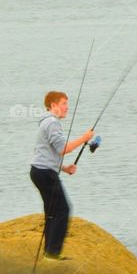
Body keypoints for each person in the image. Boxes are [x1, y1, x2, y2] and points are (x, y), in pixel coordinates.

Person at [30, 91, 94, 260]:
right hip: (45, 173)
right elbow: (63, 149)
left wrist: (65, 168)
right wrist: (85, 137)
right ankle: (52, 253)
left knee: (52, 212)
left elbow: (46, 152)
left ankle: (49, 252)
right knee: (63, 210)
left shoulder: (46, 122)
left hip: (39, 171)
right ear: (53, 105)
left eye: (67, 104)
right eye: (64, 104)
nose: (67, 108)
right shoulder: (52, 123)